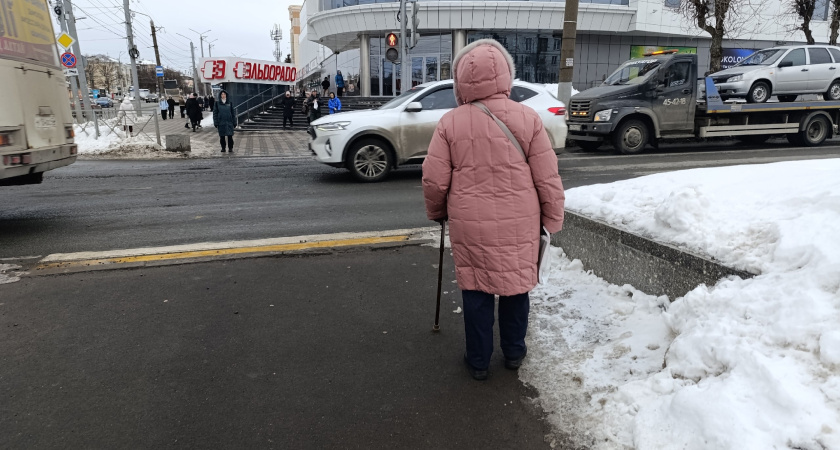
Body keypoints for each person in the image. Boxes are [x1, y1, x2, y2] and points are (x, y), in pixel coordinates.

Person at [421, 39, 565, 381]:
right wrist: (552, 218)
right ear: (505, 76)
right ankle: (514, 352)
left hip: (470, 224)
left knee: (476, 290)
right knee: (517, 287)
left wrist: (437, 212)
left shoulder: (450, 123)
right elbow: (547, 177)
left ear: (461, 82)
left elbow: (434, 180)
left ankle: (479, 361)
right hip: (520, 222)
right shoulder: (528, 119)